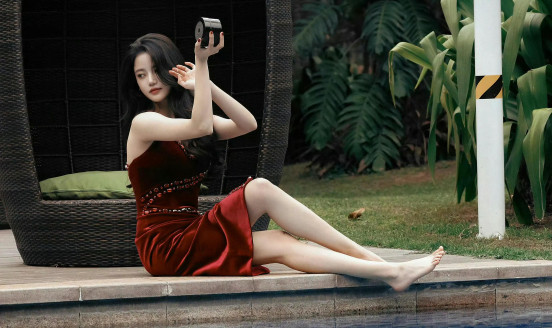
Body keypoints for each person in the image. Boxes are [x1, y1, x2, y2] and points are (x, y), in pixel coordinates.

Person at [120, 32, 444, 290]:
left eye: (156, 70)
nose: (151, 80)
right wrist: (202, 64)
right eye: (141, 75)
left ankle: (386, 270)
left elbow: (247, 124)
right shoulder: (144, 123)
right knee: (260, 190)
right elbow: (201, 126)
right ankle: (385, 268)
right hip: (164, 246)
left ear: (172, 69)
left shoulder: (187, 119)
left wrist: (207, 84)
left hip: (192, 231)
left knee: (278, 238)